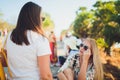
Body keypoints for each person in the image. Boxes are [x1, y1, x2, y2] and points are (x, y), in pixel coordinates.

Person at [5, 2, 53, 80]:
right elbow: (46, 76)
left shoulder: (10, 35)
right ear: (35, 19)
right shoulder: (40, 39)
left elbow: (6, 58)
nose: (42, 21)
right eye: (42, 18)